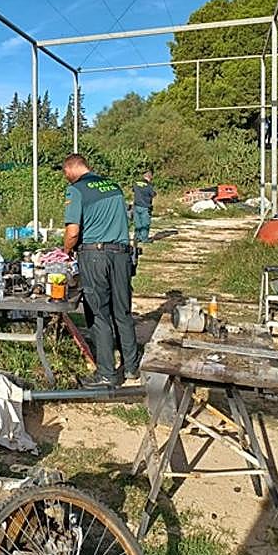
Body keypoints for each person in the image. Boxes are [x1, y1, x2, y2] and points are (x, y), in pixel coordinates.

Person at [61, 153, 140, 388]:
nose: (65, 177)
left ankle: (106, 374)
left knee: (99, 314)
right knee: (123, 312)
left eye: (65, 173)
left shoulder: (76, 190)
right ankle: (132, 367)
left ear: (71, 169)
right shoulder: (113, 186)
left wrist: (66, 250)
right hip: (122, 255)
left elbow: (73, 232)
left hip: (95, 256)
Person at [132, 170, 156, 243]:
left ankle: (136, 237)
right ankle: (144, 239)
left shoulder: (136, 183)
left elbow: (133, 190)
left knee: (137, 223)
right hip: (145, 206)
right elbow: (153, 194)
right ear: (150, 177)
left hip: (136, 205)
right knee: (145, 224)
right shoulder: (149, 185)